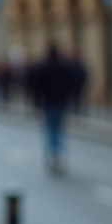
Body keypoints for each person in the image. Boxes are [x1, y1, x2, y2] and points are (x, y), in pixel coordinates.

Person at [29, 43, 78, 173]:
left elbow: (37, 87)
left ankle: (53, 154)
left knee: (51, 129)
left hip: (49, 102)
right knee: (59, 129)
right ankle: (59, 153)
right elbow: (72, 84)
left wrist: (36, 104)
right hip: (61, 102)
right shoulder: (65, 66)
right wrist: (71, 99)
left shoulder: (44, 66)